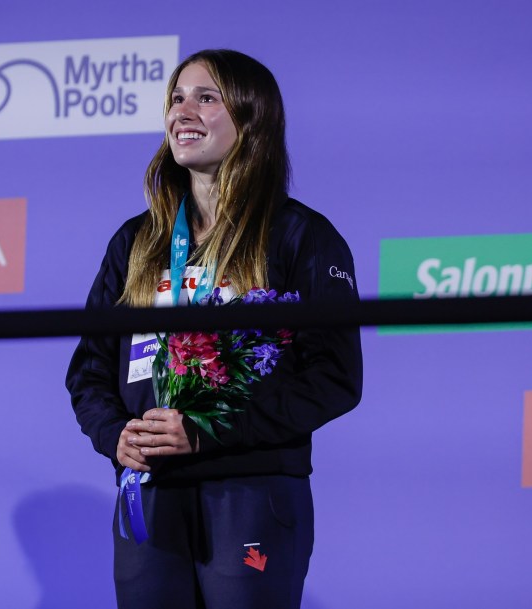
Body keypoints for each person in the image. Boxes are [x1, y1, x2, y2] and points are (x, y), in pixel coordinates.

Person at [66, 49, 362, 609]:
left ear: (252, 120)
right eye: (176, 98)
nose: (183, 111)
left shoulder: (301, 237)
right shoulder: (135, 243)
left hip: (250, 491)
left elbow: (335, 378)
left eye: (207, 98)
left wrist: (208, 433)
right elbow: (89, 370)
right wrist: (116, 435)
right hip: (148, 495)